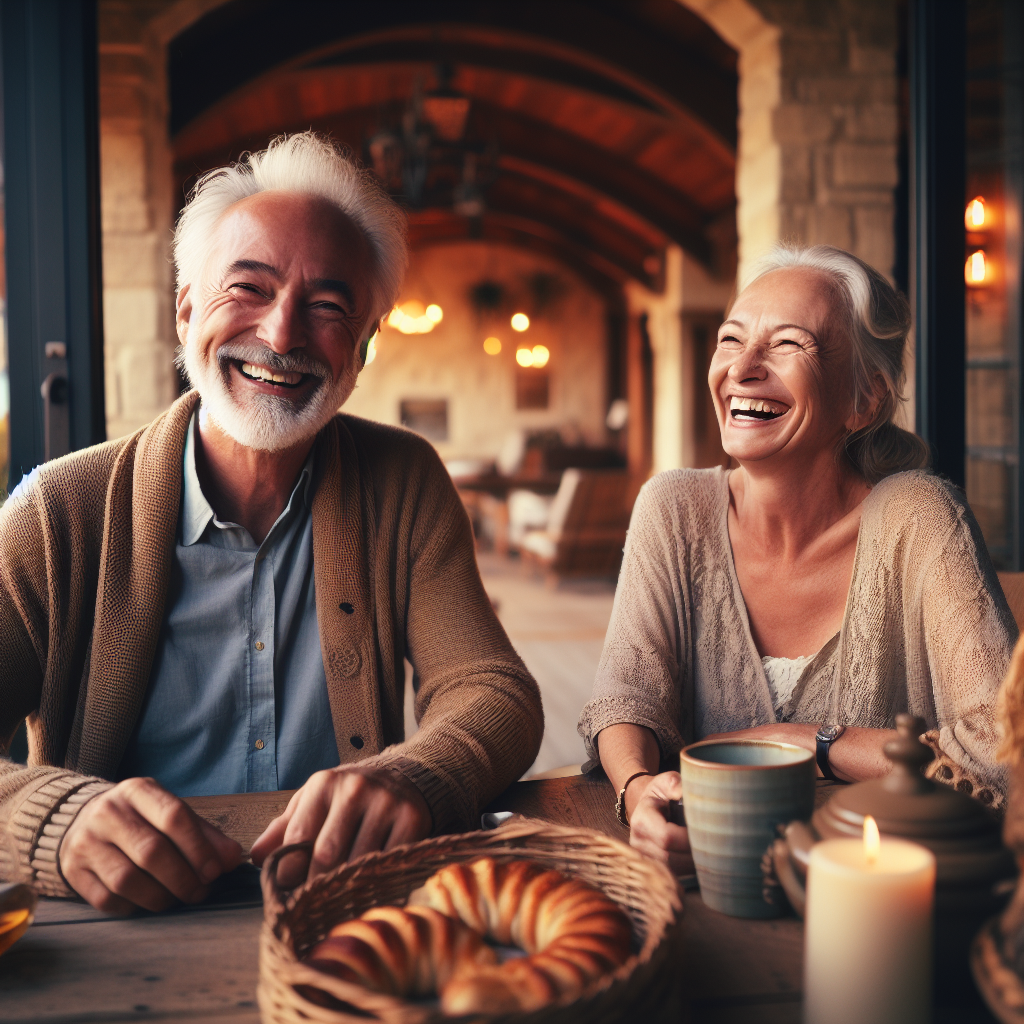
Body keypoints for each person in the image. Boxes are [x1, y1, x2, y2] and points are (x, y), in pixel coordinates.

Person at [0, 133, 543, 913]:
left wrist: (409, 776)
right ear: (187, 310)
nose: (283, 336)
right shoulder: (59, 510)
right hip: (118, 931)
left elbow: (493, 691)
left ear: (360, 349)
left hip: (345, 909)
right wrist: (55, 820)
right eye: (248, 289)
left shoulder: (403, 481)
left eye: (328, 307)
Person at [578, 244, 1016, 875]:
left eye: (787, 344)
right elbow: (625, 698)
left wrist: (805, 741)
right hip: (708, 898)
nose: (743, 368)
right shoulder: (672, 508)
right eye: (731, 340)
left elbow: (1005, 753)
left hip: (886, 907)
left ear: (864, 399)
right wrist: (638, 788)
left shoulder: (921, 517)